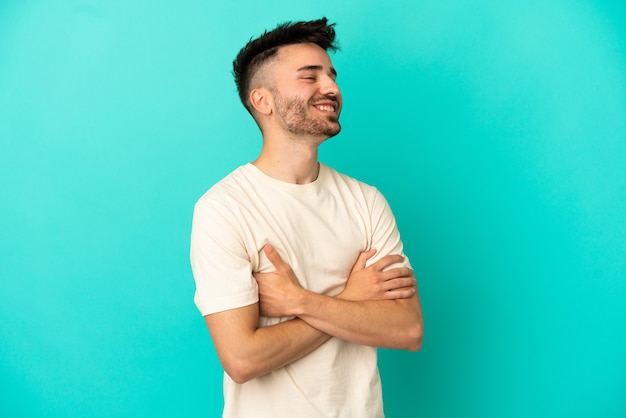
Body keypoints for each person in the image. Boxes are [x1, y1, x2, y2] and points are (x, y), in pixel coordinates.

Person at [190, 17, 423, 418]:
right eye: (309, 77)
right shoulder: (224, 208)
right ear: (262, 100)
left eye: (332, 76)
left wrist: (301, 302)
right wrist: (351, 300)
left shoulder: (366, 201)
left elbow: (407, 329)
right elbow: (242, 360)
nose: (331, 88)